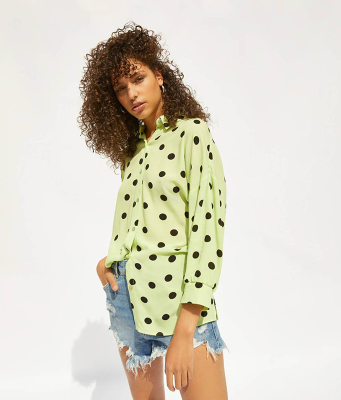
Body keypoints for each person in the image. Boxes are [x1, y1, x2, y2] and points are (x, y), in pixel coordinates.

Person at [78, 21, 229, 399]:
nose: (131, 93)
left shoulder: (193, 133)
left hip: (181, 303)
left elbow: (207, 230)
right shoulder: (132, 150)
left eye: (138, 79)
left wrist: (186, 330)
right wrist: (108, 263)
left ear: (159, 76)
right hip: (126, 296)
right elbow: (134, 222)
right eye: (120, 88)